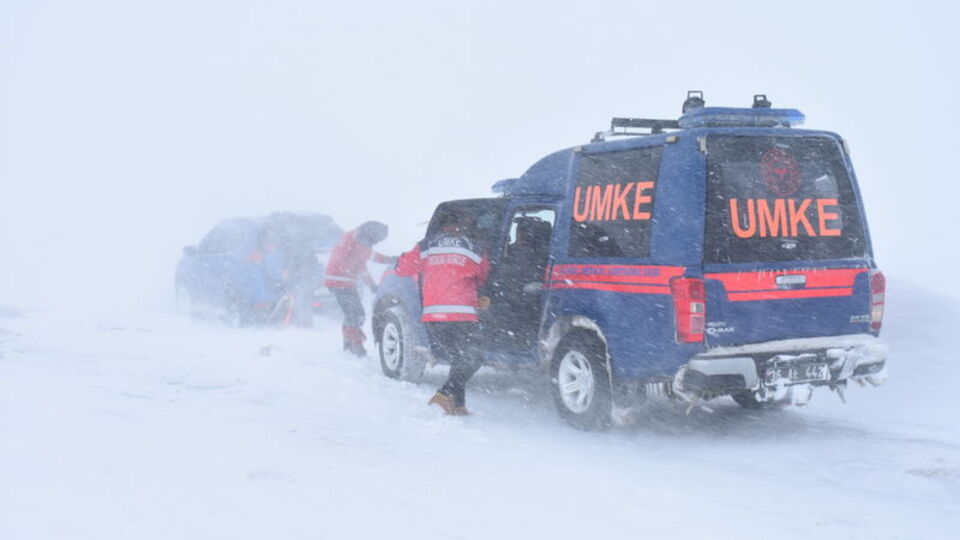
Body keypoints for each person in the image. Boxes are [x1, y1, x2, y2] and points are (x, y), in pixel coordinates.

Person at [395, 213, 491, 416]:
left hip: (434, 316)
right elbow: (482, 276)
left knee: (459, 358)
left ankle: (458, 405)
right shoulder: (474, 247)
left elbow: (403, 269)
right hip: (462, 314)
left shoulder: (426, 246)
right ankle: (443, 394)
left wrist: (401, 259)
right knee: (474, 358)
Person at [324, 221, 395, 356]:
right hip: (340, 281)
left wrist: (372, 286)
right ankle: (355, 345)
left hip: (341, 282)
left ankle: (349, 344)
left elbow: (361, 268)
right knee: (356, 314)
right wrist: (390, 260)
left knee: (352, 314)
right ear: (372, 233)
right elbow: (370, 255)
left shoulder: (354, 238)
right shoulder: (358, 237)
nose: (375, 243)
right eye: (376, 239)